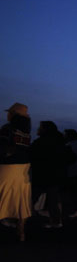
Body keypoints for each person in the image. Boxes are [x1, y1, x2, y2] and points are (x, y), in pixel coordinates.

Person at [0, 103, 32, 241]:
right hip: (24, 168)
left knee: (3, 194)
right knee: (21, 198)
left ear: (13, 115)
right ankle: (22, 231)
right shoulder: (26, 131)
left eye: (9, 112)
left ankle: (5, 216)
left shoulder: (7, 129)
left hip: (8, 167)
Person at [30, 121, 71, 229]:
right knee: (53, 200)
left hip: (43, 175)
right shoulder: (59, 142)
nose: (37, 129)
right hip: (56, 176)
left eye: (40, 127)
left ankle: (21, 218)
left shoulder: (40, 142)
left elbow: (31, 155)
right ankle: (56, 222)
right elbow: (71, 157)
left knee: (31, 197)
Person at [64, 129, 77, 218]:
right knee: (76, 193)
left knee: (73, 194)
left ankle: (76, 210)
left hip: (71, 173)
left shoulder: (70, 147)